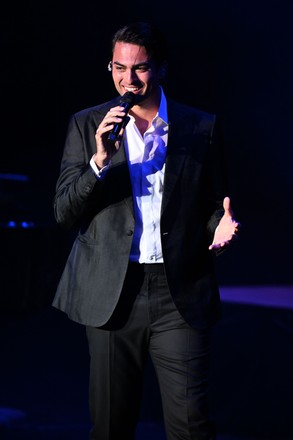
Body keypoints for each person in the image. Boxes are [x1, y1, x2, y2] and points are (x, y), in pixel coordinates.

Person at [52, 21, 240, 440]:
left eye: (139, 68)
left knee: (192, 426)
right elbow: (64, 212)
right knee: (111, 427)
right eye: (119, 68)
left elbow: (212, 207)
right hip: (112, 293)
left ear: (160, 69)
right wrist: (99, 162)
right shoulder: (88, 125)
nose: (128, 79)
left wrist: (220, 226)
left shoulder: (200, 127)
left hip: (179, 292)